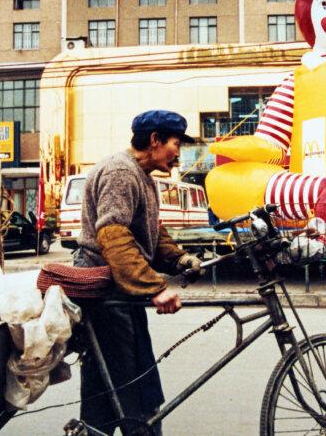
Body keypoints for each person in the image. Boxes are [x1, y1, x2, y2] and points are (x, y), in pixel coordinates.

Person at [75, 110, 204, 435]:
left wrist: (179, 260)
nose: (178, 153)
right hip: (106, 295)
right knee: (132, 389)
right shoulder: (121, 172)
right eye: (175, 143)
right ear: (155, 140)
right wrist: (155, 288)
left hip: (120, 294)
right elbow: (113, 235)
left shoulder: (144, 178)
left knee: (108, 388)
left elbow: (151, 233)